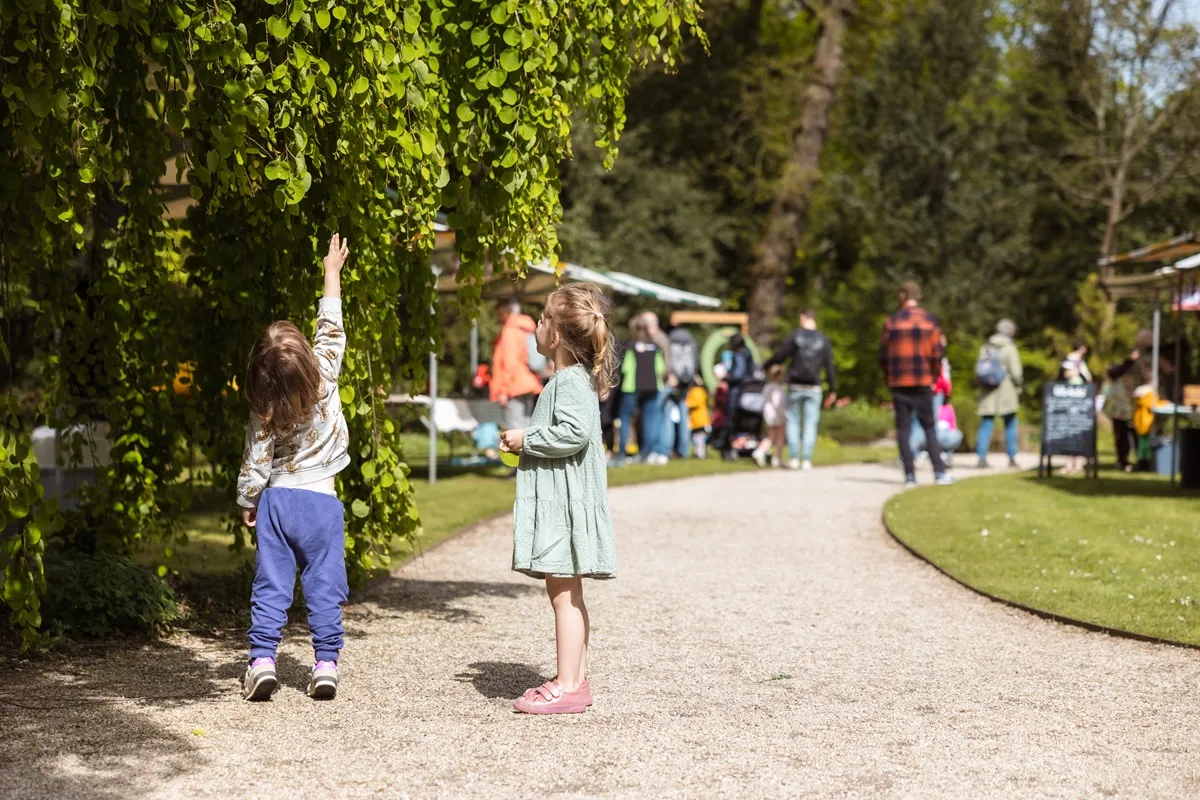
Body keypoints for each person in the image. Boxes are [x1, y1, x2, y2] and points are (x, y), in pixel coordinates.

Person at [237, 233, 352, 702]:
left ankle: (263, 661)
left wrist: (249, 500)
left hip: (278, 502)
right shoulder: (324, 371)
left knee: (272, 582)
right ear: (306, 358)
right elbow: (331, 325)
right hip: (321, 503)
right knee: (325, 586)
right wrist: (331, 271)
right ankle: (325, 665)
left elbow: (256, 462)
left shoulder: (263, 409)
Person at [498, 282, 617, 715]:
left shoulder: (568, 382)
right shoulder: (569, 379)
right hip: (564, 501)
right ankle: (576, 680)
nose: (538, 325)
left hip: (565, 506)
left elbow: (573, 433)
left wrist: (525, 438)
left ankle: (567, 685)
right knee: (569, 594)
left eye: (545, 319)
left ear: (560, 335)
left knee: (563, 596)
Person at [879, 281, 953, 487]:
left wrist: (889, 378)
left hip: (899, 382)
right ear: (919, 297)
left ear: (902, 296)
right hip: (922, 381)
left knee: (903, 429)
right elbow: (938, 354)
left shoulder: (892, 322)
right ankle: (939, 472)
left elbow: (883, 357)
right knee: (929, 427)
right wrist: (933, 376)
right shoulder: (929, 322)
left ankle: (909, 475)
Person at [764, 308, 837, 471]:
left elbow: (780, 355)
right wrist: (833, 389)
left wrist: (765, 365)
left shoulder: (795, 336)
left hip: (795, 385)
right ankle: (806, 459)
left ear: (803, 318)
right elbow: (829, 366)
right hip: (814, 386)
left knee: (793, 421)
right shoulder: (823, 340)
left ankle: (794, 457)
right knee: (811, 423)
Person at [1105, 330, 1162, 472]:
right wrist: (1131, 360)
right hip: (1121, 404)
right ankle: (1123, 461)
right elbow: (1113, 372)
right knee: (1122, 434)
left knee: (1139, 432)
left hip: (1136, 403)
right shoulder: (1127, 361)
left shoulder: (1147, 360)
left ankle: (1141, 461)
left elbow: (1150, 378)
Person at [617, 316, 666, 465]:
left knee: (625, 419)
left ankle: (621, 454)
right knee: (650, 420)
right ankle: (647, 453)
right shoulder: (655, 346)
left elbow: (625, 368)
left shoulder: (629, 346)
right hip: (652, 387)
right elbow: (661, 369)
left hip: (631, 387)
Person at [975, 319, 1023, 469]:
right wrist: (1019, 386)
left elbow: (979, 370)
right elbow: (1016, 373)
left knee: (986, 423)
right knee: (1010, 424)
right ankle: (1011, 458)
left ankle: (981, 457)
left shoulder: (986, 347)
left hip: (988, 391)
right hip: (1006, 390)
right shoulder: (1010, 348)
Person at [491, 298, 544, 431]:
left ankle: (518, 453)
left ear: (506, 310)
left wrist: (503, 390)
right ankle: (527, 452)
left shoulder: (510, 331)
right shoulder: (527, 329)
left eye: (500, 312)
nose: (499, 316)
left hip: (515, 387)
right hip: (530, 383)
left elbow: (510, 363)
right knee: (526, 427)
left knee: (514, 431)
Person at [664, 322, 700, 459]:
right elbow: (695, 361)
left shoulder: (671, 340)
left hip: (674, 381)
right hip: (686, 381)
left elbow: (668, 360)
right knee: (684, 417)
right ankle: (684, 450)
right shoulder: (690, 340)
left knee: (668, 415)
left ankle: (668, 449)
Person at [752, 364, 787, 468]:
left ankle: (760, 451)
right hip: (777, 415)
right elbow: (778, 404)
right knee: (780, 437)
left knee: (770, 437)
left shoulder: (767, 386)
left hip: (768, 415)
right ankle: (777, 458)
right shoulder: (777, 389)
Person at [686, 376, 712, 460]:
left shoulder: (697, 391)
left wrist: (685, 403)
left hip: (699, 421)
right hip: (697, 420)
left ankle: (700, 453)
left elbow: (695, 402)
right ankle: (698, 452)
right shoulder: (700, 391)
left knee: (699, 438)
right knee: (697, 438)